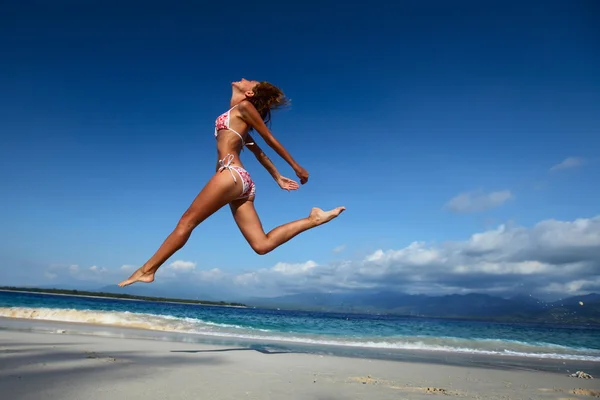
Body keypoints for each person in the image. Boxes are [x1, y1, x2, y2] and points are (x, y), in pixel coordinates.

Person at [118, 79, 345, 287]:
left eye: (250, 81)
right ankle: (312, 219)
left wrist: (296, 167)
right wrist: (276, 176)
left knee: (186, 222)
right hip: (241, 181)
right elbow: (257, 151)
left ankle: (147, 270)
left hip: (231, 173)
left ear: (249, 92)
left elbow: (269, 138)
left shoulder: (245, 108)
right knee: (261, 245)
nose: (244, 78)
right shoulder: (238, 116)